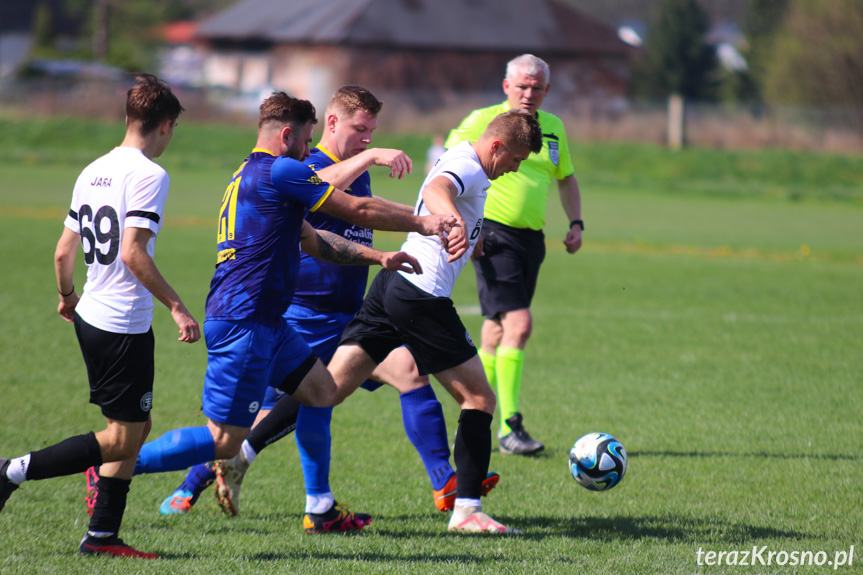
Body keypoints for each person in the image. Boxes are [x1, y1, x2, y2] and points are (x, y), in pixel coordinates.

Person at [101, 93, 455, 527]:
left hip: (270, 320)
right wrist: (424, 221)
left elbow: (316, 240)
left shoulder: (254, 173)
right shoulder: (283, 169)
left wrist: (378, 257)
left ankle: (321, 507)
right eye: (307, 141)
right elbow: (355, 208)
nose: (309, 152)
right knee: (226, 440)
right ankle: (117, 464)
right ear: (288, 135)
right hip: (246, 317)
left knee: (322, 392)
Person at [0, 74, 200, 559]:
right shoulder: (151, 175)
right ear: (166, 126)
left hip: (90, 313)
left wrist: (67, 296)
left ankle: (104, 535)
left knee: (135, 427)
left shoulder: (93, 169)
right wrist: (176, 305)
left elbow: (62, 252)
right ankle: (11, 471)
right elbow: (133, 253)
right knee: (120, 436)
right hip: (121, 323)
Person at [324, 109, 543, 534]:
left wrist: (470, 236)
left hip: (394, 282)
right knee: (480, 399)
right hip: (421, 295)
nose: (515, 168)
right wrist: (455, 221)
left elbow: (440, 194)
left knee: (326, 389)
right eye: (515, 159)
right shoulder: (469, 166)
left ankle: (242, 452)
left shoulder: (462, 156)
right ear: (496, 146)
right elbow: (436, 188)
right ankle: (467, 511)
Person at [444, 54, 583, 455]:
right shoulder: (482, 120)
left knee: (496, 332)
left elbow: (566, 178)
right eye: (521, 86)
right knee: (519, 324)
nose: (528, 93)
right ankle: (509, 426)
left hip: (531, 241)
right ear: (506, 86)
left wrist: (576, 223)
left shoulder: (553, 128)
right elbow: (445, 167)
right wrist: (465, 226)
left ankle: (474, 416)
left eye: (536, 88)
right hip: (492, 235)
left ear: (546, 91)